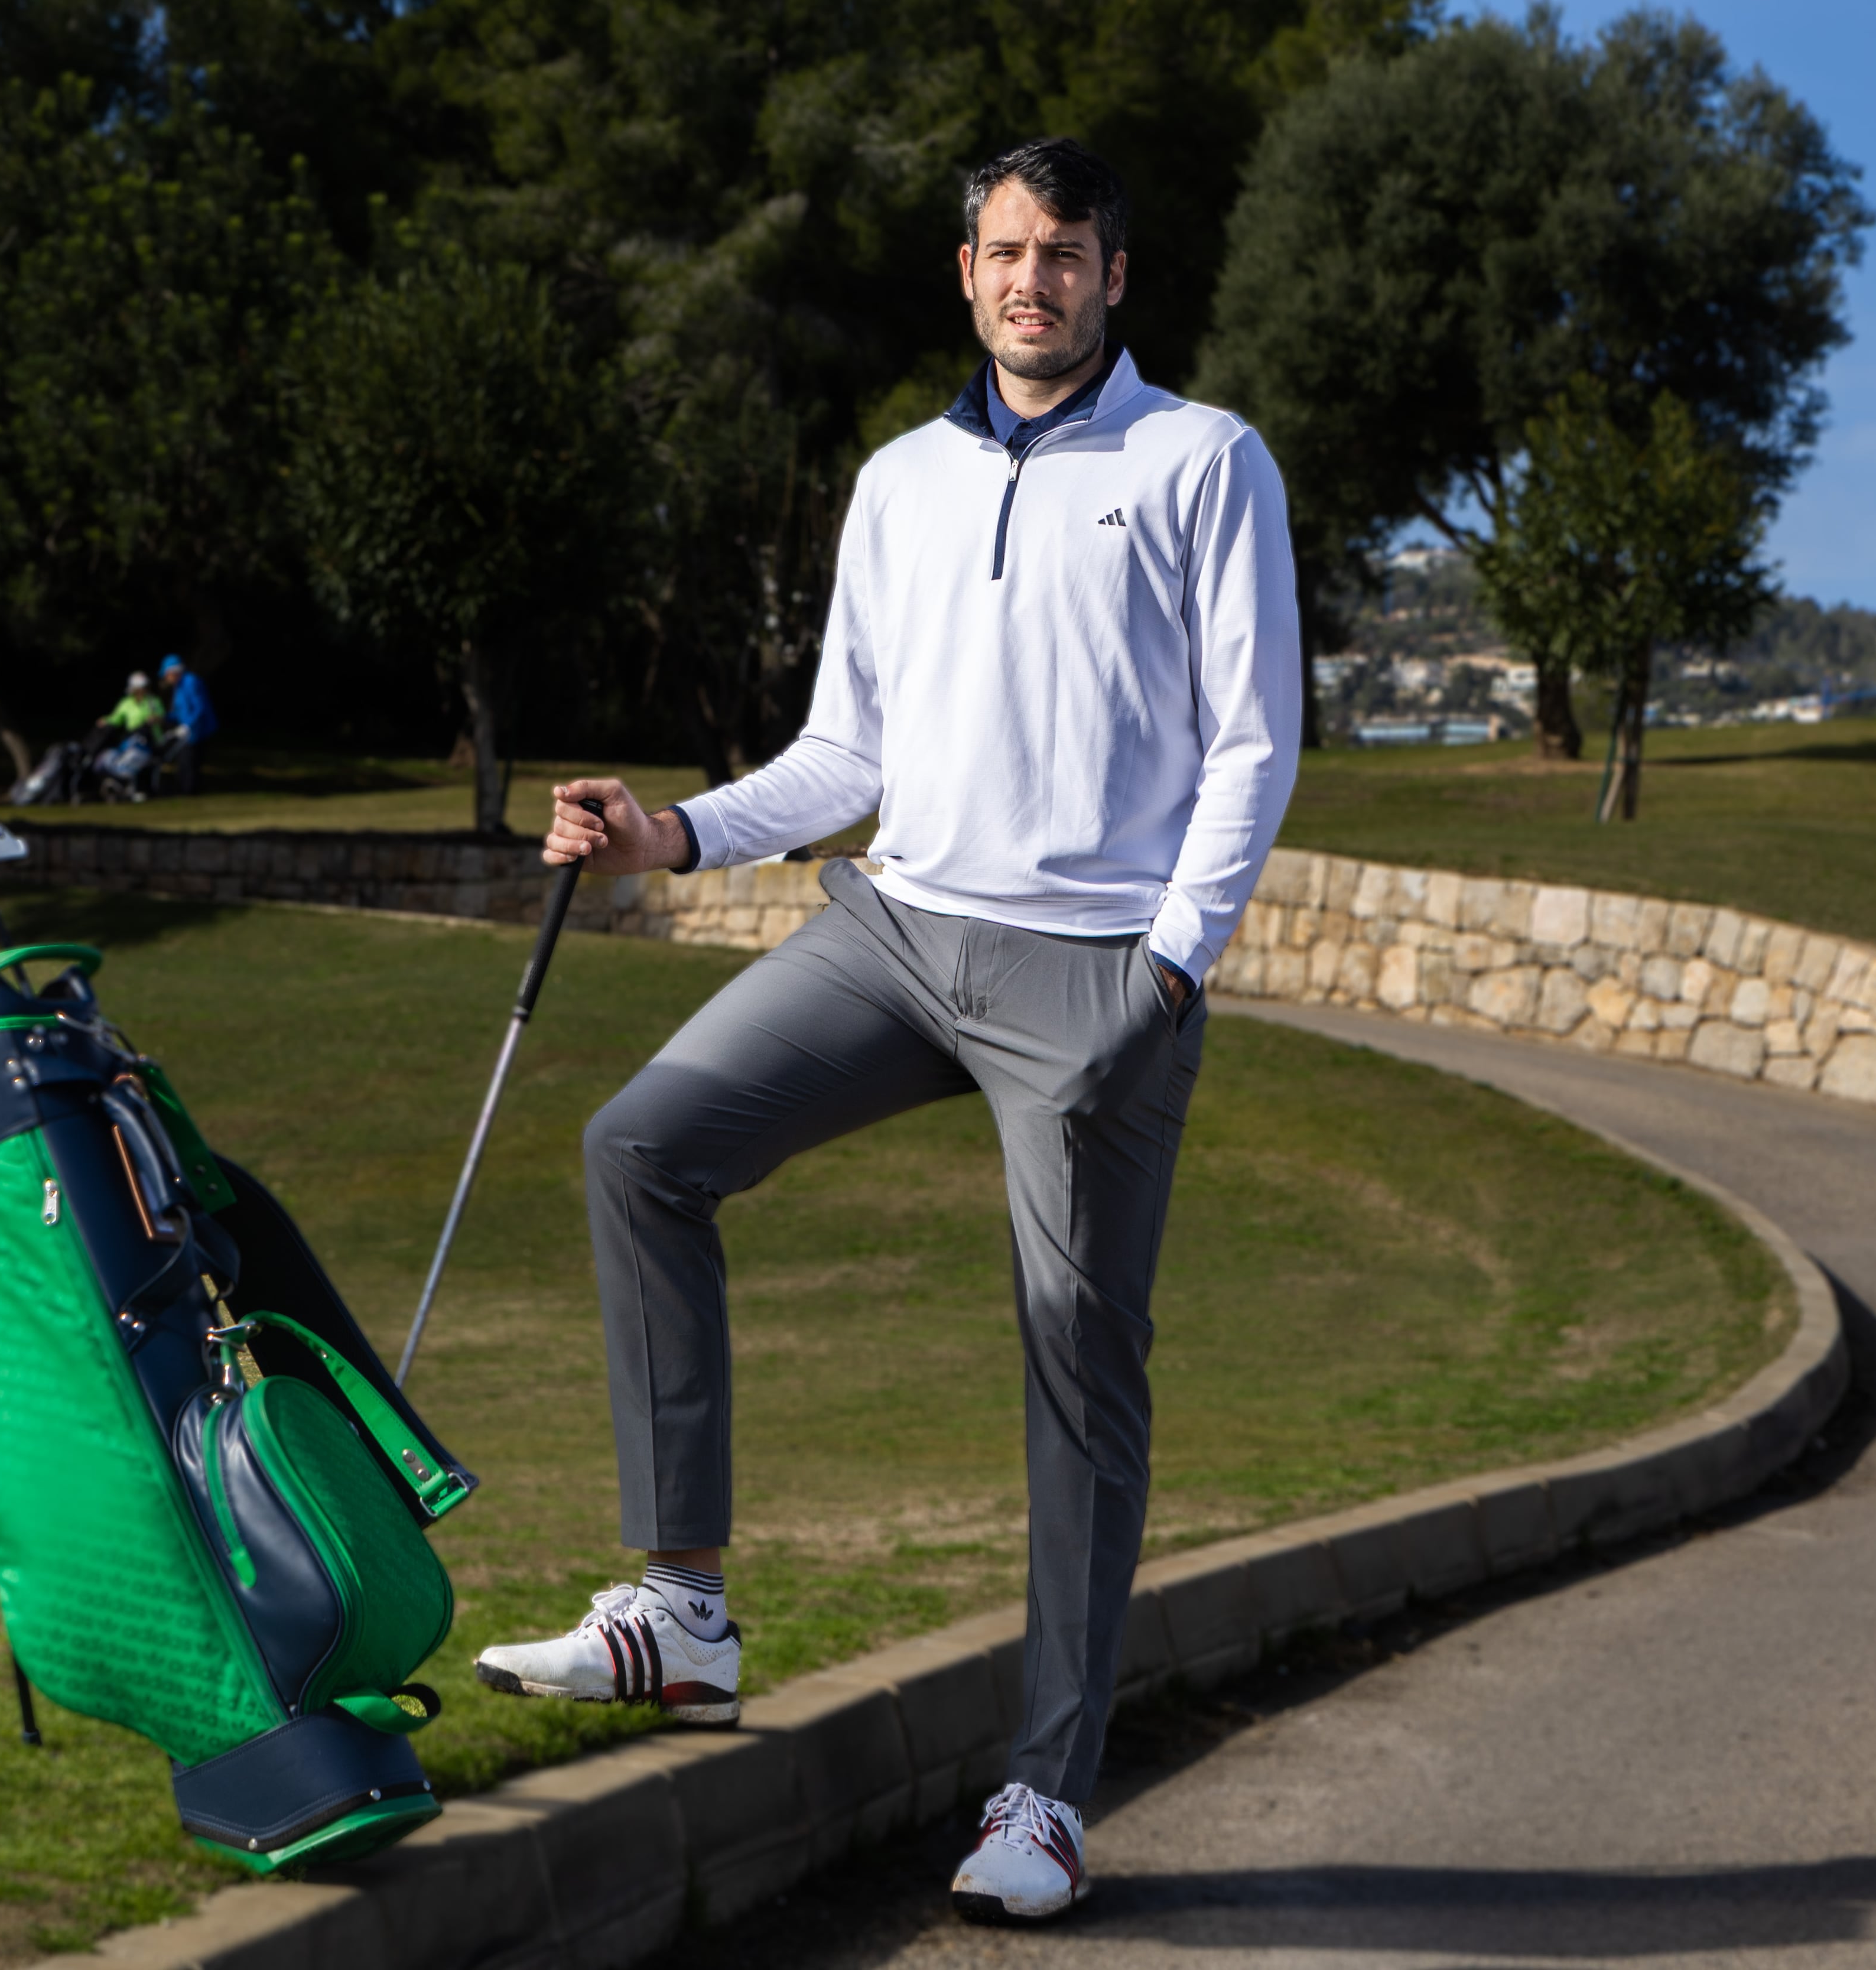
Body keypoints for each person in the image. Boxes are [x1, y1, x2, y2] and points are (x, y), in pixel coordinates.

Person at [471, 137, 1302, 1925]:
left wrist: (1166, 972)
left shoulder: (1201, 460)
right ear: (965, 271)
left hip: (1096, 968)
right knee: (642, 1145)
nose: (1030, 280)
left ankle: (1046, 1796)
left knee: (1077, 1354)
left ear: (1114, 275)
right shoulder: (900, 480)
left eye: (1063, 251)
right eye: (1003, 251)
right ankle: (681, 1610)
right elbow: (848, 749)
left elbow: (1253, 741)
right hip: (897, 931)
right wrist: (669, 834)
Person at [159, 655, 217, 796]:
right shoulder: (178, 686)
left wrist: (187, 726)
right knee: (183, 760)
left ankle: (189, 792)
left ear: (174, 672)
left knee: (190, 762)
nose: (166, 678)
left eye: (167, 674)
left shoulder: (191, 682)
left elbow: (200, 708)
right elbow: (179, 712)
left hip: (199, 731)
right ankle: (184, 791)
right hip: (188, 731)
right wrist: (164, 718)